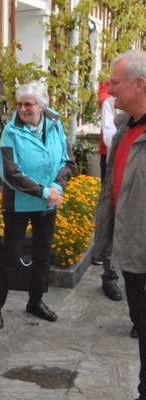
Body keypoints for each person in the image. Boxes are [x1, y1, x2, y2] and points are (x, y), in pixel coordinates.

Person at [0, 82, 76, 329]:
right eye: (20, 104)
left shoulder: (55, 123)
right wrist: (44, 191)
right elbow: (10, 173)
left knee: (42, 255)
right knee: (10, 256)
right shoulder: (11, 131)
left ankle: (35, 301)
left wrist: (57, 187)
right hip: (19, 204)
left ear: (42, 105)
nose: (23, 109)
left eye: (28, 104)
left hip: (48, 202)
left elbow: (68, 162)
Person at [92, 49, 146, 400]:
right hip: (131, 254)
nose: (109, 91)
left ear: (140, 84)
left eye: (115, 83)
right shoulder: (123, 129)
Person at [91, 81, 124, 302]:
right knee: (112, 218)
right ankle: (109, 276)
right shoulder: (111, 100)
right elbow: (110, 136)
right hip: (116, 162)